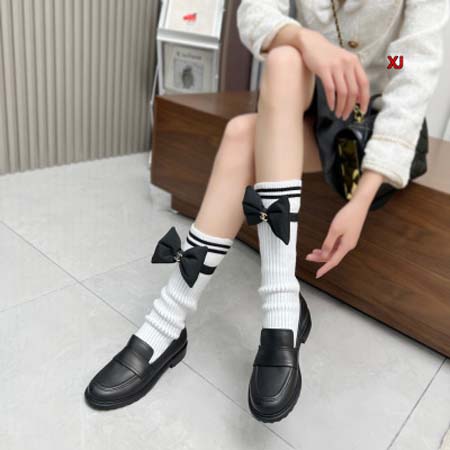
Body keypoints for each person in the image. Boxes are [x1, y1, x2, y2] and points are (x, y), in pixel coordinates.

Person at [84, 0, 448, 423]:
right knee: (285, 57)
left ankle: (168, 323)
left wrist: (362, 199)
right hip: (321, 115)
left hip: (376, 134)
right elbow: (254, 11)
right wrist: (306, 39)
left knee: (242, 132)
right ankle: (271, 306)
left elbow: (410, 73)